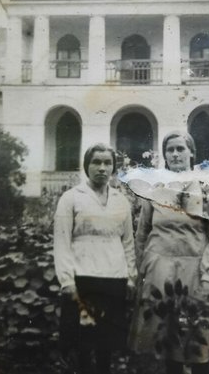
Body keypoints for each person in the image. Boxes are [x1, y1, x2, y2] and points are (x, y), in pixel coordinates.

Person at [129, 131, 209, 374]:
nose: (175, 154)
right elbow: (142, 232)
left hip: (198, 272)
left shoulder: (208, 186)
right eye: (170, 150)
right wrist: (143, 269)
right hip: (161, 273)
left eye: (180, 149)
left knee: (200, 340)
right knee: (168, 343)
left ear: (191, 152)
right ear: (165, 155)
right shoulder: (154, 189)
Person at [53, 143, 137, 374]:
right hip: (82, 278)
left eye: (107, 163)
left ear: (113, 167)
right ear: (86, 166)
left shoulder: (121, 200)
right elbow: (61, 242)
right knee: (83, 343)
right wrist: (67, 280)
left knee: (106, 344)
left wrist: (131, 276)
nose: (102, 168)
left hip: (113, 278)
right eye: (96, 162)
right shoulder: (71, 198)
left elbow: (128, 242)